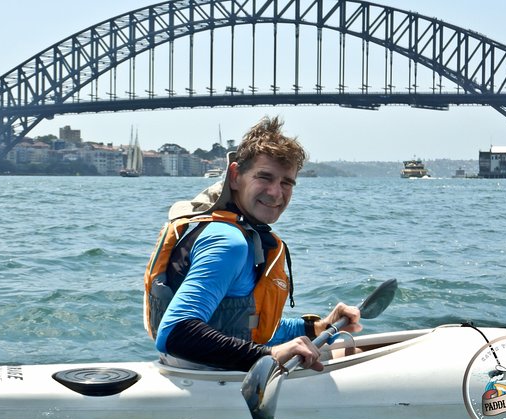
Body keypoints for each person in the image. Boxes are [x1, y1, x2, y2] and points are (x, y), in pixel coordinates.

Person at [144, 116, 362, 372]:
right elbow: (175, 334)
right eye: (265, 178)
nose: (275, 192)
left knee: (353, 351)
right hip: (211, 385)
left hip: (199, 372)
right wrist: (271, 354)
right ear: (235, 176)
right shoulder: (228, 242)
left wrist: (317, 327)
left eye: (286, 182)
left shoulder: (239, 235)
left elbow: (244, 325)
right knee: (357, 357)